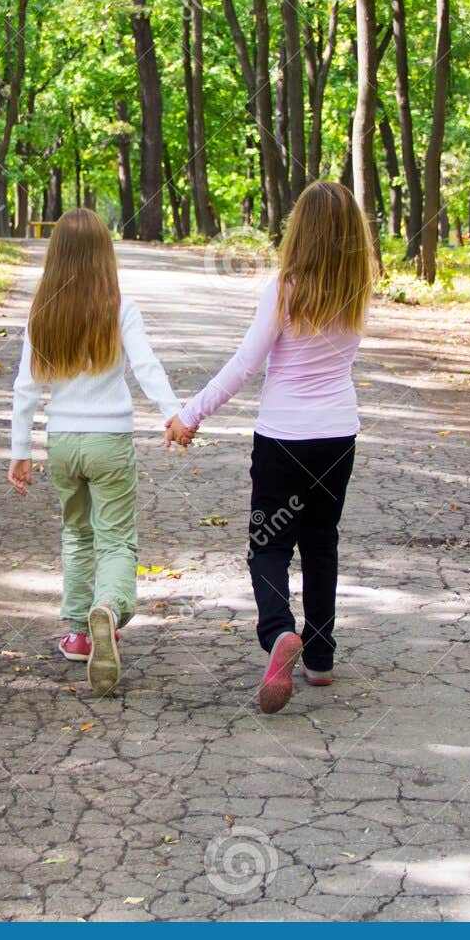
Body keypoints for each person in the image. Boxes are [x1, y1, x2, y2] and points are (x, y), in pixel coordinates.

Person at [167, 182, 377, 713]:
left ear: (298, 231)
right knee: (322, 543)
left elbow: (244, 365)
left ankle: (280, 631)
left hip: (283, 439)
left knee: (269, 546)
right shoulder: (357, 288)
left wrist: (189, 415)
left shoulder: (283, 288)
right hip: (337, 437)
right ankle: (320, 658)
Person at [9, 208, 183, 696]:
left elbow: (25, 388)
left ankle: (78, 634)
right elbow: (147, 367)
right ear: (105, 254)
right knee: (116, 538)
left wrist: (19, 451)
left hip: (63, 442)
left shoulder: (43, 309)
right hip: (110, 440)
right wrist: (174, 415)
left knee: (76, 535)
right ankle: (109, 608)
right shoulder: (120, 305)